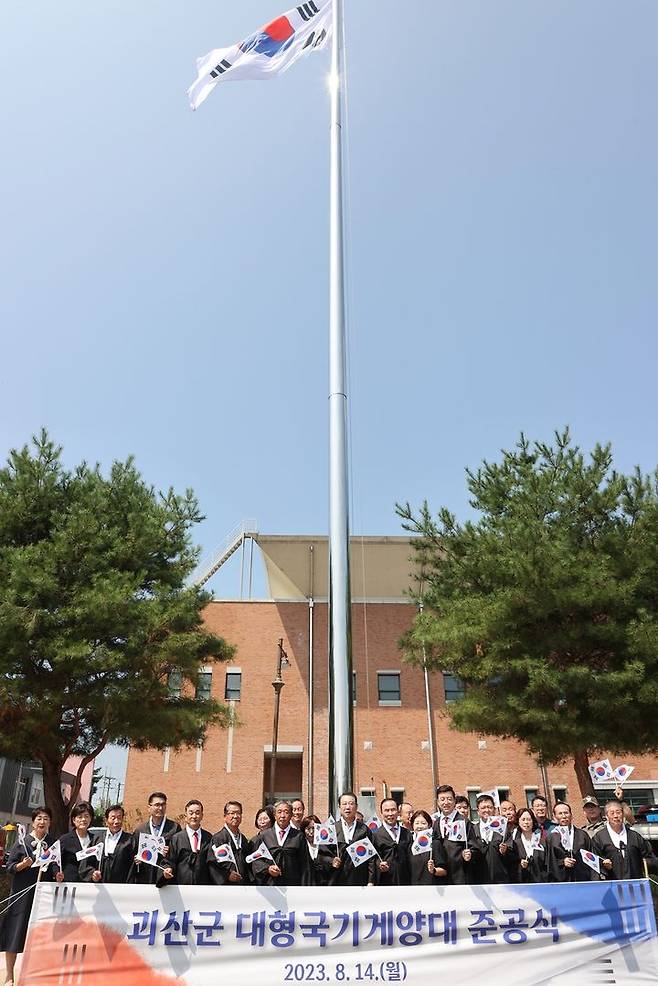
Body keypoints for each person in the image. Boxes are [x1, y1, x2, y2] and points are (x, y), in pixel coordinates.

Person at [0, 806, 55, 986]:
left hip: (43, 898)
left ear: (50, 823)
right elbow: (9, 867)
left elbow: (56, 866)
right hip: (21, 896)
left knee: (39, 938)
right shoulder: (22, 842)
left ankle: (33, 975)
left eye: (46, 818)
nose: (42, 822)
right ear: (33, 821)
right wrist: (21, 866)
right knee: (14, 934)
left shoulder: (53, 844)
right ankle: (9, 975)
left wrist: (58, 874)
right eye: (39, 818)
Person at [592, 801, 658, 880]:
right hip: (612, 885)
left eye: (618, 812)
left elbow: (649, 857)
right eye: (612, 813)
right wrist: (604, 865)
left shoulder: (635, 836)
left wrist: (647, 863)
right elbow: (594, 862)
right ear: (606, 816)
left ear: (623, 814)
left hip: (635, 884)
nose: (616, 816)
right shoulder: (599, 838)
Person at [251, 800, 307, 885]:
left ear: (291, 815)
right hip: (270, 885)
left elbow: (305, 865)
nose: (282, 816)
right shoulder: (265, 836)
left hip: (293, 886)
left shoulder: (298, 836)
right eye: (279, 812)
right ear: (274, 815)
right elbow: (256, 860)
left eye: (286, 812)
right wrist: (268, 868)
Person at [130, 791, 181, 885]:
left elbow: (178, 853)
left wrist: (170, 851)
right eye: (157, 805)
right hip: (145, 876)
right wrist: (136, 859)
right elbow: (134, 853)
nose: (160, 808)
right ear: (149, 807)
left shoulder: (174, 828)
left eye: (163, 805)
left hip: (165, 876)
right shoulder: (140, 830)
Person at [433, 785, 479, 885]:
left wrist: (470, 854)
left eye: (449, 799)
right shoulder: (435, 823)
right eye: (442, 799)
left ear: (454, 801)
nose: (446, 802)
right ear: (438, 802)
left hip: (461, 875)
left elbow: (475, 847)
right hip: (442, 878)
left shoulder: (463, 822)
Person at [161, 800, 212, 885]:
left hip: (203, 887)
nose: (194, 816)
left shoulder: (209, 838)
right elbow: (170, 861)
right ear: (186, 816)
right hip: (181, 886)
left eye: (197, 813)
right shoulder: (177, 838)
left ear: (202, 816)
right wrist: (167, 869)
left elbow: (212, 864)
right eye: (191, 813)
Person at [83, 804, 133, 884]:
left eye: (119, 818)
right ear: (106, 821)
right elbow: (87, 862)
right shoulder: (97, 839)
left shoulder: (130, 840)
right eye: (113, 818)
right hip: (98, 887)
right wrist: (92, 874)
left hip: (121, 888)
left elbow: (133, 867)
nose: (116, 821)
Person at [472, 795, 516, 884]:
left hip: (500, 878)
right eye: (483, 808)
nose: (486, 810)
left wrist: (505, 851)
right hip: (478, 878)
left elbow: (512, 853)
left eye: (489, 807)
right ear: (478, 811)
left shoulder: (502, 828)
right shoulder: (473, 829)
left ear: (494, 809)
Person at [330, 792, 371, 888]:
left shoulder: (364, 830)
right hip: (337, 880)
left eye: (351, 804)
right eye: (344, 804)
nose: (348, 807)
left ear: (356, 807)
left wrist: (371, 880)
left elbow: (371, 858)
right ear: (339, 807)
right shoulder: (332, 829)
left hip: (360, 881)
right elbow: (322, 855)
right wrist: (331, 861)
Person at [208, 801, 253, 885]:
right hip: (226, 887)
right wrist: (226, 875)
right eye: (232, 813)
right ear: (225, 816)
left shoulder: (243, 839)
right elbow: (212, 864)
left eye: (238, 813)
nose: (235, 816)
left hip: (243, 886)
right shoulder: (218, 838)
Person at [548, 802, 593, 882]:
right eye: (560, 813)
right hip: (561, 882)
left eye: (566, 813)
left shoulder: (582, 835)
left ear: (571, 815)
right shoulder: (551, 837)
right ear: (555, 817)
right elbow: (549, 862)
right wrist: (562, 862)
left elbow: (591, 857)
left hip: (582, 880)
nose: (564, 816)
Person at [370, 798, 411, 886]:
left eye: (393, 810)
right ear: (381, 813)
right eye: (386, 810)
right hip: (385, 881)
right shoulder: (375, 835)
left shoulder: (407, 833)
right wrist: (379, 865)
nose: (390, 813)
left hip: (405, 881)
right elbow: (373, 859)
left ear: (398, 812)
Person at [57, 802, 99, 882]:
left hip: (90, 886)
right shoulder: (65, 839)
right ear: (73, 820)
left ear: (91, 818)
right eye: (80, 817)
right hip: (69, 885)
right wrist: (57, 874)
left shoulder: (96, 840)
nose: (83, 819)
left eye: (86, 816)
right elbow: (56, 861)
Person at [407, 810, 447, 885]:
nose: (419, 826)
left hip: (433, 888)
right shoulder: (409, 845)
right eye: (417, 823)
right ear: (412, 825)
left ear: (429, 825)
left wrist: (434, 870)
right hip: (414, 889)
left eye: (423, 823)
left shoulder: (435, 844)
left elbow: (444, 871)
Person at [512, 808, 548, 883]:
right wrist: (520, 866)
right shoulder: (515, 844)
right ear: (518, 821)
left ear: (533, 821)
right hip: (523, 884)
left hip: (542, 883)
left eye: (528, 819)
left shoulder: (542, 841)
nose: (526, 822)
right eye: (523, 819)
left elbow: (548, 864)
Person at [300, 815, 334, 886]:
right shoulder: (300, 845)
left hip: (323, 885)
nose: (311, 831)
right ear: (303, 829)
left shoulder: (326, 845)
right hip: (305, 885)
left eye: (314, 828)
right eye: (307, 828)